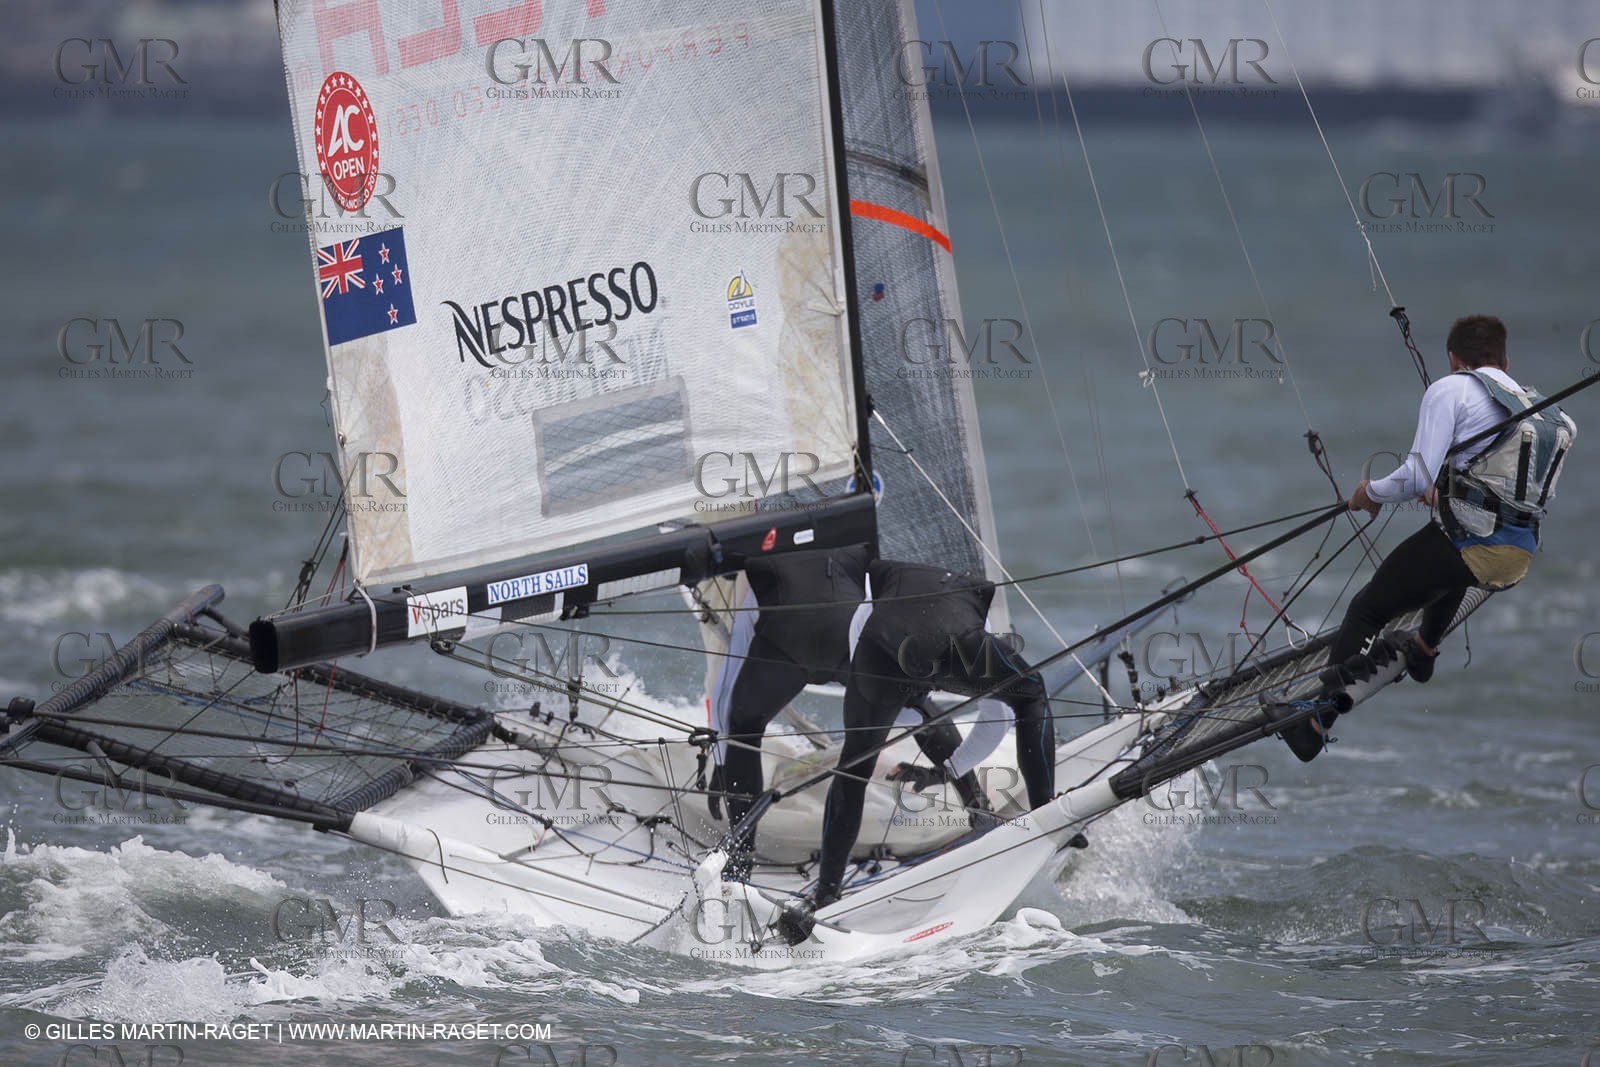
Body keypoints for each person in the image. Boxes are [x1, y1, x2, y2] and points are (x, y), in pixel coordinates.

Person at [1280, 315, 1576, 762]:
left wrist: (1369, 493)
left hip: (1474, 547)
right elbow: (1509, 484)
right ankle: (1424, 648)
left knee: (1368, 609)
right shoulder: (1545, 412)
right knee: (1446, 554)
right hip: (1518, 556)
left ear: (1455, 361)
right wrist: (1450, 488)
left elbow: (1414, 474)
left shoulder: (1451, 388)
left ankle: (1315, 723)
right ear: (1505, 361)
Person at [708, 545, 1000, 880]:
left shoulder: (759, 577)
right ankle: (978, 806)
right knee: (919, 712)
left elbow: (727, 685)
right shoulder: (858, 558)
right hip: (847, 638)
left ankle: (741, 856)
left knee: (745, 724)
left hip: (787, 648)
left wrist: (721, 760)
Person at [807, 557, 1057, 909]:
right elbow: (997, 720)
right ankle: (1048, 820)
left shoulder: (871, 596)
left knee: (854, 767)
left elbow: (866, 652)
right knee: (1031, 696)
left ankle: (827, 892)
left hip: (880, 647)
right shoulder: (977, 606)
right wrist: (949, 770)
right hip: (955, 636)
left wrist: (897, 703)